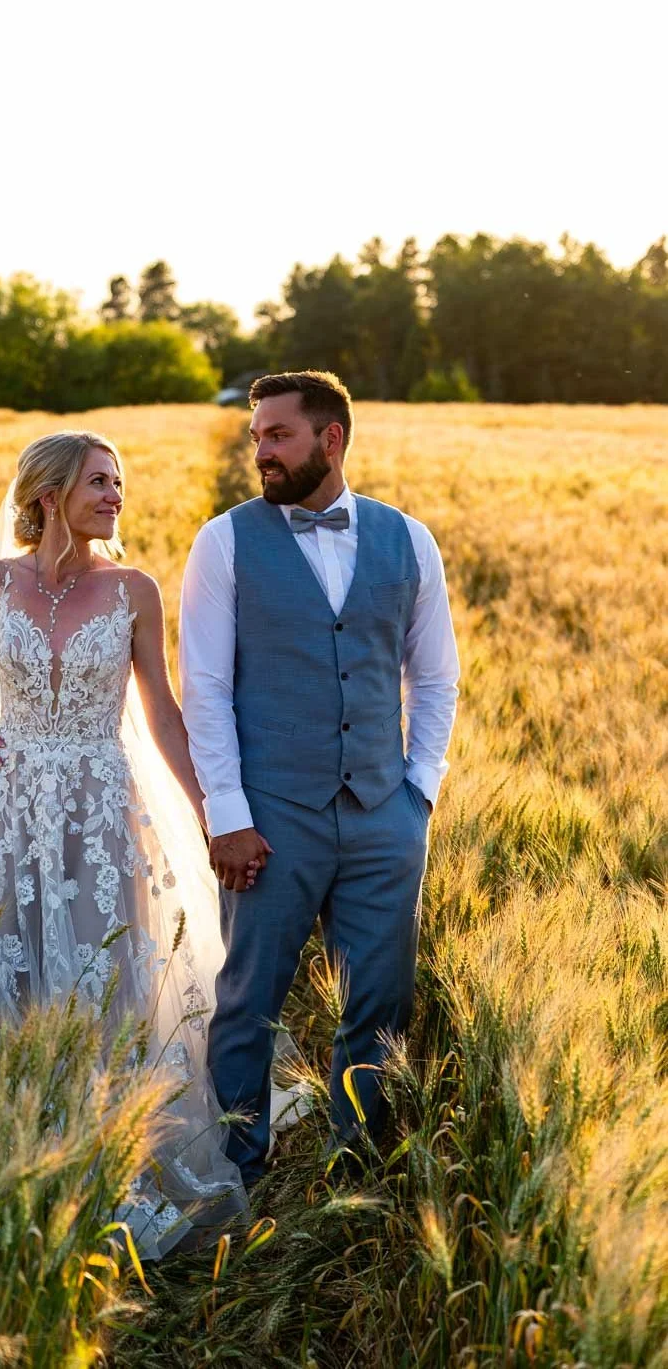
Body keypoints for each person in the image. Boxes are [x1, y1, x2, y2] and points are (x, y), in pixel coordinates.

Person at [0, 430, 259, 1258]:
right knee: (10, 969)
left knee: (109, 975)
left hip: (102, 806)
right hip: (8, 808)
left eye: (120, 482)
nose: (117, 495)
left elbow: (159, 710)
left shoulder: (134, 590)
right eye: (100, 482)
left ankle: (113, 1157)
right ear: (49, 494)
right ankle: (17, 1152)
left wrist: (210, 813)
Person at [179, 370, 460, 1185]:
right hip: (272, 817)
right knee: (248, 1005)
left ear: (330, 439)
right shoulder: (224, 542)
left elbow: (435, 679)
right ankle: (240, 1176)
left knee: (378, 1007)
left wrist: (419, 796)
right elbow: (205, 687)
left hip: (384, 816)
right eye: (256, 437)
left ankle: (356, 1171)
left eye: (277, 435)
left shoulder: (408, 540)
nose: (259, 452)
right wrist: (225, 814)